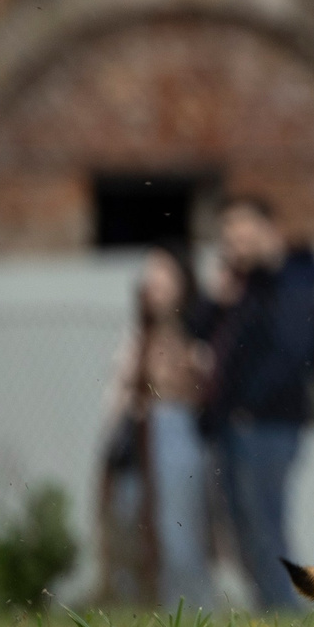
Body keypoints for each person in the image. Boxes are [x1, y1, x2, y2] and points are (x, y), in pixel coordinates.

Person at [205, 194, 314, 610]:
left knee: (263, 521)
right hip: (236, 422)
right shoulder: (242, 285)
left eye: (243, 233)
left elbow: (293, 351)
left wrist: (249, 404)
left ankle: (286, 613)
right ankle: (269, 610)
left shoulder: (293, 276)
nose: (235, 245)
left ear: (266, 230)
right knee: (241, 523)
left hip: (270, 421)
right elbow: (204, 332)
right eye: (228, 237)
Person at [100, 243, 216, 608]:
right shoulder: (138, 335)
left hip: (177, 435)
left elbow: (198, 387)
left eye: (163, 274)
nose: (153, 282)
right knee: (127, 525)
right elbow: (119, 395)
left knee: (178, 533)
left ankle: (188, 611)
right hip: (135, 444)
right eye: (149, 274)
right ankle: (136, 614)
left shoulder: (198, 333)